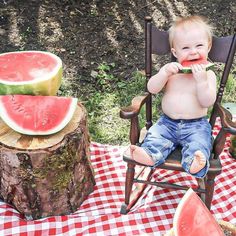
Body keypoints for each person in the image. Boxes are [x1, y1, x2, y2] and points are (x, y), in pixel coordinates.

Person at [125, 15, 217, 178]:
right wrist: (163, 73)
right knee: (155, 137)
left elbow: (207, 101)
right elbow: (152, 89)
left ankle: (194, 163)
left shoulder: (208, 75)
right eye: (186, 48)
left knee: (199, 144)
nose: (193, 51)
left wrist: (201, 82)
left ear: (208, 47)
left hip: (196, 126)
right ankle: (149, 155)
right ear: (175, 52)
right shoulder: (171, 71)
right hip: (167, 123)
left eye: (199, 45)